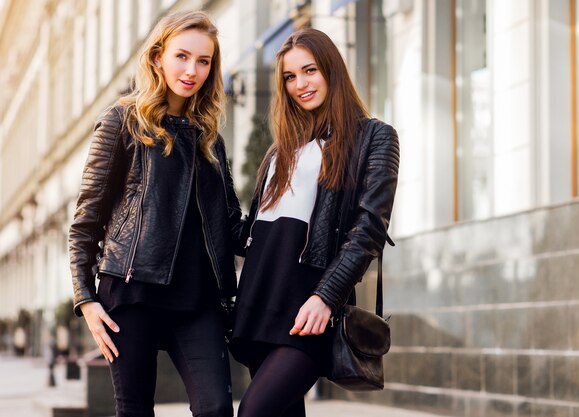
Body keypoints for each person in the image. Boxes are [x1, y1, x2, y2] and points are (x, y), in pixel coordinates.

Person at [68, 10, 240, 417]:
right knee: (135, 409)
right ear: (158, 56)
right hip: (131, 292)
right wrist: (86, 300)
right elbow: (85, 222)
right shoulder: (121, 121)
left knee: (216, 407)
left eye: (204, 61)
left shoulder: (209, 138)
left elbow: (230, 224)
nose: (192, 70)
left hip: (198, 298)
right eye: (182, 56)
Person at [229, 28, 400, 417]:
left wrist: (327, 296)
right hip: (260, 301)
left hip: (310, 305)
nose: (300, 84)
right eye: (290, 77)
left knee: (253, 412)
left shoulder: (373, 138)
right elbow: (253, 233)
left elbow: (369, 229)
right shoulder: (279, 151)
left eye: (309, 71)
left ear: (331, 70)